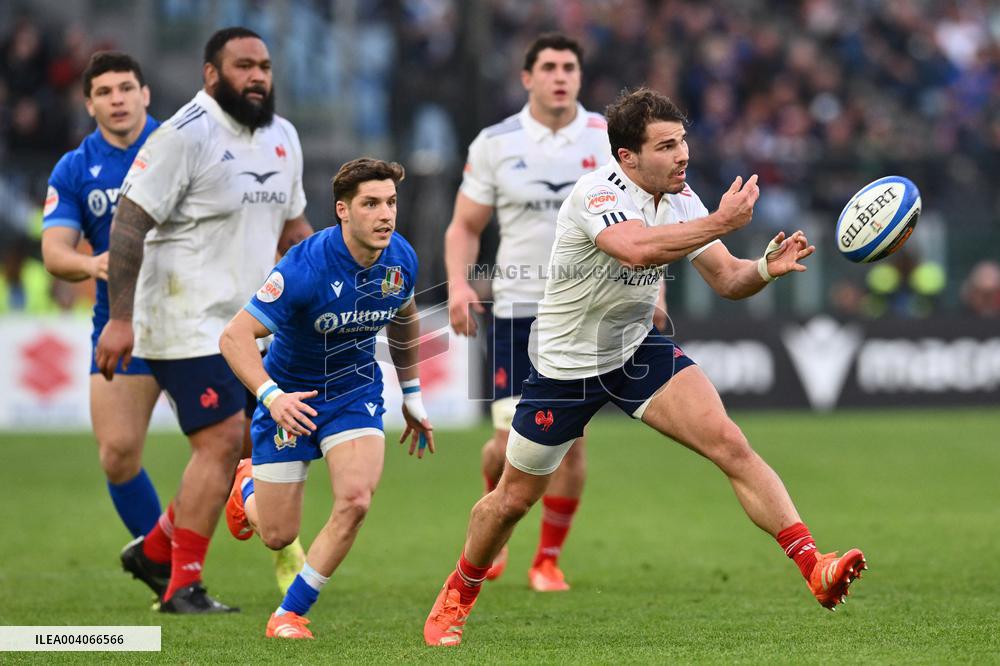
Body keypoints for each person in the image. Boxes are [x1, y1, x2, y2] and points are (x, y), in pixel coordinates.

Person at [424, 88, 867, 647]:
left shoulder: (682, 198)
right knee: (512, 500)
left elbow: (728, 279)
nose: (683, 155)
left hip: (635, 350)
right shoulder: (596, 194)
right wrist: (721, 222)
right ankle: (459, 591)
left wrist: (764, 268)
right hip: (567, 366)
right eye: (666, 146)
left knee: (730, 444)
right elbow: (637, 249)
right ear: (627, 157)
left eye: (682, 141)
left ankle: (814, 567)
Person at [95, 26, 313, 613]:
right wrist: (120, 319)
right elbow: (129, 224)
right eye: (243, 65)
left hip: (246, 326)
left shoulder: (284, 136)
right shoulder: (183, 135)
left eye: (264, 66)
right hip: (183, 318)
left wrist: (329, 285)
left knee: (240, 444)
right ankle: (181, 586)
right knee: (219, 442)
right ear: (211, 75)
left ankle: (156, 550)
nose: (257, 76)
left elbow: (294, 230)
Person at [220, 157, 435, 640]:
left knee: (356, 501)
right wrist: (272, 397)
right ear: (342, 210)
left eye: (391, 202)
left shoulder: (401, 258)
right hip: (290, 398)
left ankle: (289, 613)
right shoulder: (304, 267)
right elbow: (234, 337)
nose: (386, 215)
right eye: (371, 204)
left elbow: (404, 319)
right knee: (277, 534)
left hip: (354, 391)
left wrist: (412, 394)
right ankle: (246, 485)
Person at [445, 33, 623, 591]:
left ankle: (547, 559)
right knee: (507, 446)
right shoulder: (495, 143)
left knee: (569, 444)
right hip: (519, 311)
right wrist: (459, 284)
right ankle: (493, 516)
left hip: (589, 311)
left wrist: (656, 294)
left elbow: (643, 222)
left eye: (569, 66)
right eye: (548, 67)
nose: (560, 76)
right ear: (527, 77)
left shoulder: (608, 138)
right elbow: (465, 225)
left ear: (580, 76)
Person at [41, 51, 163, 541]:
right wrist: (92, 264)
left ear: (145, 94)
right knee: (117, 454)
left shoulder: (181, 148)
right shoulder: (74, 168)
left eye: (126, 88)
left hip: (193, 319)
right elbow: (54, 252)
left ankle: (284, 548)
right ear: (89, 104)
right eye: (104, 92)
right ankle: (166, 562)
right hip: (120, 323)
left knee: (235, 443)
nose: (118, 100)